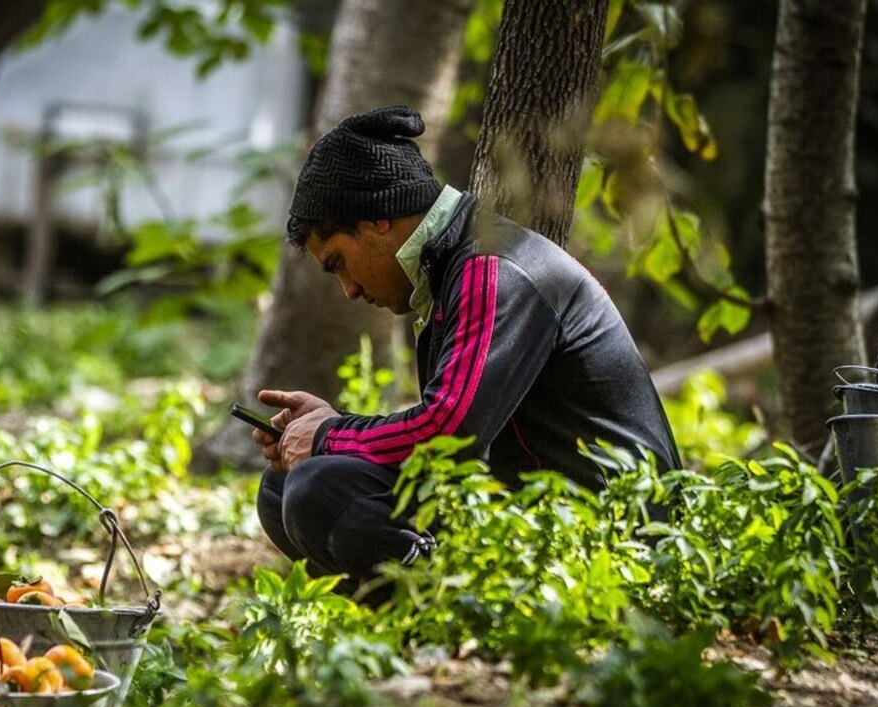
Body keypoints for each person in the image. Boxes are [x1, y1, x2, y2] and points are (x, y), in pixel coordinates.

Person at [251, 105, 681, 596]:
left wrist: (330, 435)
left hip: (617, 544)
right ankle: (422, 639)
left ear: (375, 221)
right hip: (538, 519)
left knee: (319, 490)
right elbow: (450, 430)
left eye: (339, 264)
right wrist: (325, 429)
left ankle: (446, 640)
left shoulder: (490, 267)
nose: (348, 289)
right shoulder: (451, 267)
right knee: (284, 486)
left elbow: (448, 434)